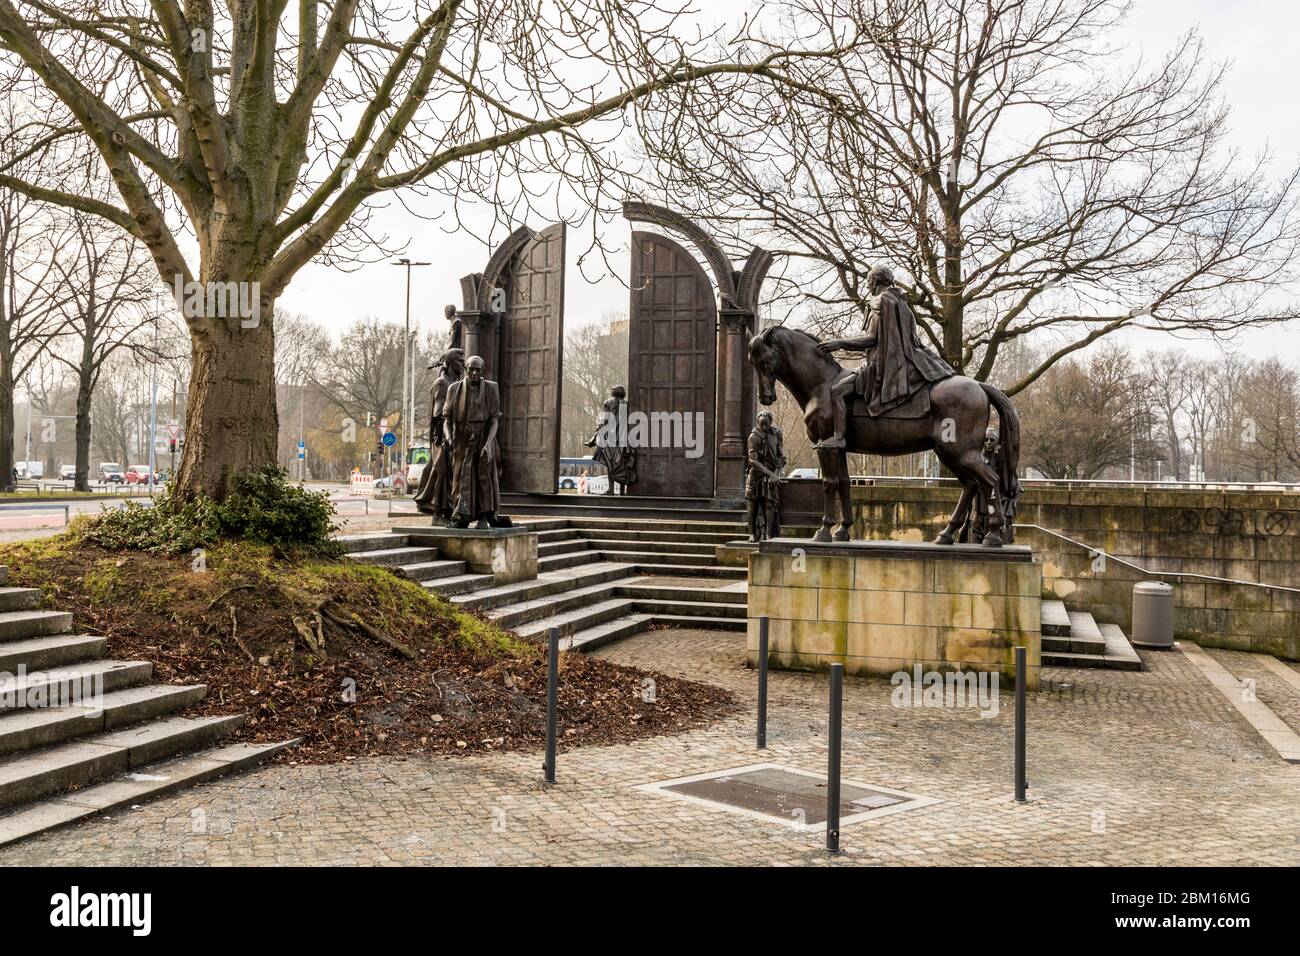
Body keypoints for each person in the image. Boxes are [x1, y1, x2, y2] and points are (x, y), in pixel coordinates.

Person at [817, 265, 955, 447]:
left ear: (874, 282)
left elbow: (871, 339)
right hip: (903, 364)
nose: (867, 288)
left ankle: (839, 437)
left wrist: (840, 343)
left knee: (836, 391)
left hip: (880, 368)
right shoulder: (902, 303)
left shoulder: (878, 302)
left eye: (868, 283)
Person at [445, 354, 511, 528]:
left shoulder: (491, 388)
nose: (474, 373)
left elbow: (495, 420)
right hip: (461, 438)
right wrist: (448, 437)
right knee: (460, 478)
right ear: (466, 369)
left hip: (483, 436)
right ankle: (461, 516)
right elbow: (446, 419)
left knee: (484, 478)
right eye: (470, 369)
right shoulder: (454, 389)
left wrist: (489, 443)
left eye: (477, 370)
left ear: (483, 370)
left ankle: (484, 516)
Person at [413, 348, 465, 522]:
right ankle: (437, 514)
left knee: (450, 473)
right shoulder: (442, 383)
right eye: (459, 361)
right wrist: (447, 436)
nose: (463, 365)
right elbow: (440, 414)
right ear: (450, 363)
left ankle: (448, 512)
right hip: (441, 436)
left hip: (451, 434)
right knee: (440, 471)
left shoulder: (455, 381)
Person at [584, 384, 637, 495]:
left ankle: (611, 490)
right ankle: (623, 491)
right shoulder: (627, 404)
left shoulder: (609, 402)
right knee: (622, 464)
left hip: (611, 438)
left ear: (614, 392)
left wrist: (596, 434)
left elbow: (605, 420)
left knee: (610, 463)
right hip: (624, 438)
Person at [745, 410, 786, 541]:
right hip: (756, 475)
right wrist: (770, 474)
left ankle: (769, 534)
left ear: (771, 422)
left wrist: (775, 475)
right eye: (761, 424)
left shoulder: (776, 434)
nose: (764, 427)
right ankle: (752, 533)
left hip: (771, 474)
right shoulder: (753, 437)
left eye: (766, 424)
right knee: (752, 505)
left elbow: (781, 458)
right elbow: (752, 461)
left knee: (770, 504)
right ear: (757, 423)